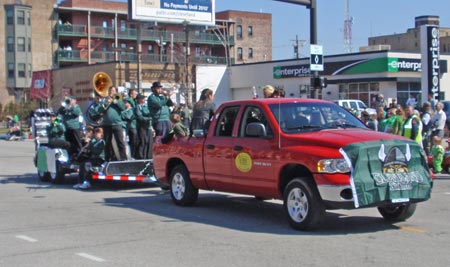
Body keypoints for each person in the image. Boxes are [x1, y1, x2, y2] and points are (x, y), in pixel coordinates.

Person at [99, 86, 127, 161]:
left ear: (116, 92)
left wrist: (115, 101)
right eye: (110, 90)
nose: (112, 91)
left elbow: (123, 107)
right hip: (107, 124)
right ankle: (108, 159)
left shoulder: (118, 98)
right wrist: (106, 104)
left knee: (120, 142)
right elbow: (100, 110)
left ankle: (123, 158)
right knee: (107, 143)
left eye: (113, 90)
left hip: (117, 123)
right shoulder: (104, 99)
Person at [135, 93, 153, 159]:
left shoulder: (146, 106)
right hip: (142, 127)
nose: (143, 99)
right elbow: (140, 117)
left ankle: (148, 156)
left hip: (149, 126)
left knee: (149, 142)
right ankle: (141, 156)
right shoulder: (138, 107)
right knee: (143, 142)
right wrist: (149, 118)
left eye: (144, 98)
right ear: (138, 99)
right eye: (142, 98)